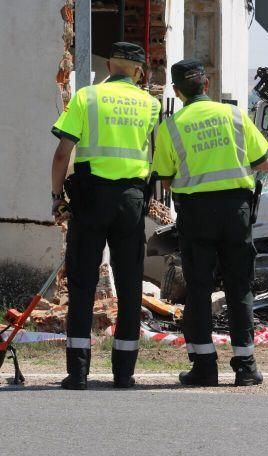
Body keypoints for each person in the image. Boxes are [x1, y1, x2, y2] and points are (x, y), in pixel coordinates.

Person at [151, 59, 268, 387]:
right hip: (236, 212)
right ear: (206, 84)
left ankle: (204, 366)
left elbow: (165, 176)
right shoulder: (233, 115)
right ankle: (246, 366)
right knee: (239, 287)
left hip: (195, 214)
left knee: (199, 289)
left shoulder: (171, 127)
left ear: (177, 90)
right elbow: (263, 163)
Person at [51, 42, 161, 389]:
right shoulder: (151, 104)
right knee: (129, 285)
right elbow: (152, 157)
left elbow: (61, 154)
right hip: (130, 200)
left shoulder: (87, 97)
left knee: (82, 284)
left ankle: (78, 372)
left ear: (111, 64)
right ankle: (124, 373)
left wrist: (57, 197)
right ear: (140, 71)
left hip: (90, 198)